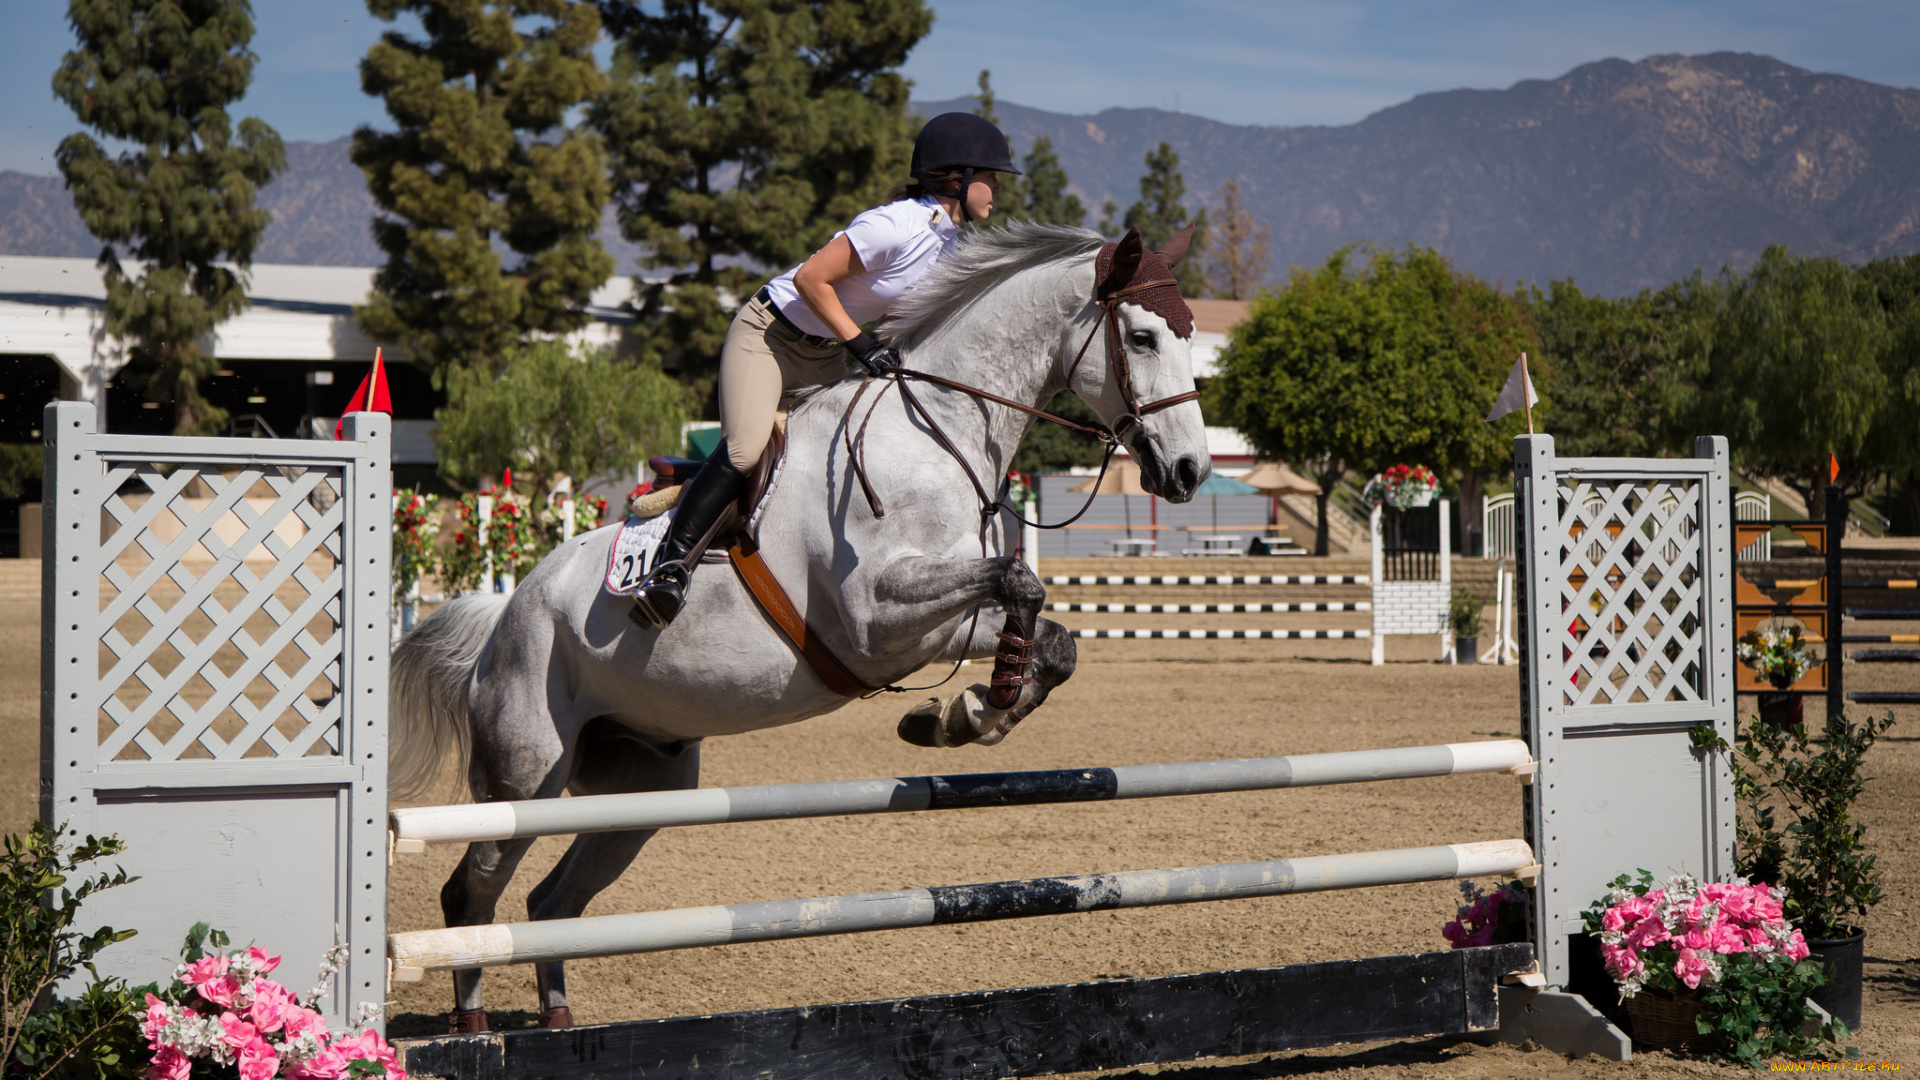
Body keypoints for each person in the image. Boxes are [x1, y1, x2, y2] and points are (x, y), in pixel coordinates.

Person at [632, 113, 1023, 627]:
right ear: (957, 176)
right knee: (747, 448)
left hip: (822, 350)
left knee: (845, 451)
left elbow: (897, 315)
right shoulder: (895, 224)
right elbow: (812, 279)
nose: (996, 189)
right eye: (991, 177)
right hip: (769, 334)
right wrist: (858, 344)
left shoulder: (951, 244)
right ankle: (670, 569)